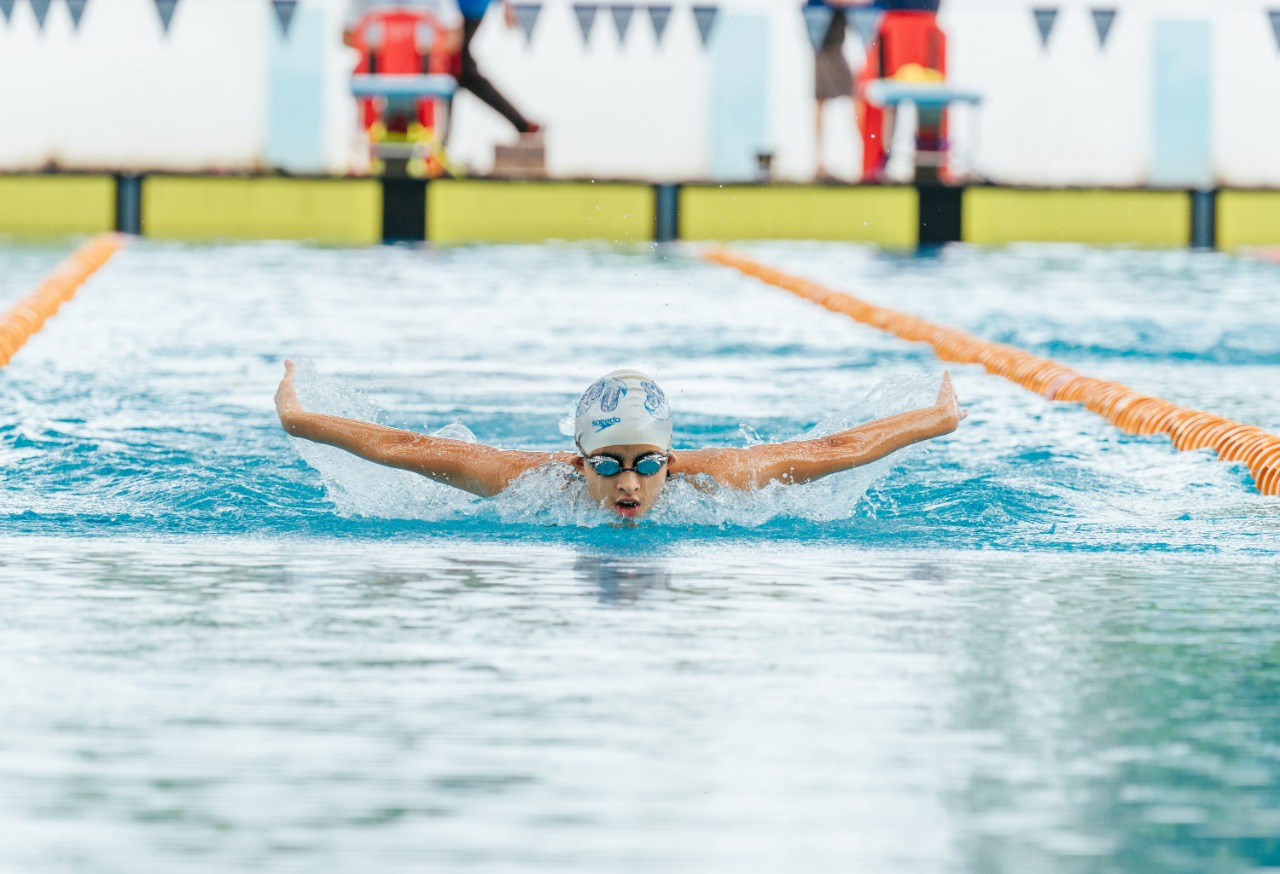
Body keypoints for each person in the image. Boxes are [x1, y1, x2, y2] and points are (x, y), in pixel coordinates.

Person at [275, 363, 965, 521]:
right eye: (607, 465)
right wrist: (301, 420)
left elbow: (836, 450)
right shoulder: (526, 479)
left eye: (647, 465)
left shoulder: (720, 478)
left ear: (672, 457)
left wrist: (935, 419)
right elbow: (402, 446)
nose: (629, 485)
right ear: (579, 461)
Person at [453, 0, 541, 137]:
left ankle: (522, 124)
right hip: (456, 13)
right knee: (459, 72)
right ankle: (521, 123)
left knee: (458, 71)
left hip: (463, 12)